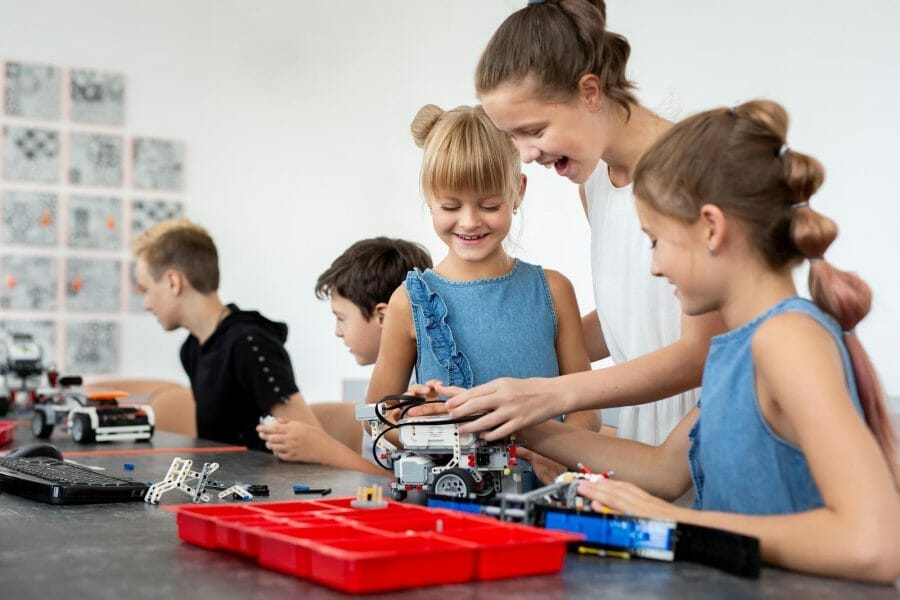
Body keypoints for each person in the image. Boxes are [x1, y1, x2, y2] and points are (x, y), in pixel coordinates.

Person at [497, 100, 900, 583]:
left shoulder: (788, 340)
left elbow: (874, 543)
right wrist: (520, 427)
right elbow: (665, 471)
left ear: (711, 227)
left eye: (655, 240)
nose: (655, 266)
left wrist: (680, 521)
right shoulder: (741, 347)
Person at [426, 0, 725, 446]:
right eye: (513, 137)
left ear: (589, 92)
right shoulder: (597, 184)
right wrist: (488, 364)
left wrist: (550, 392)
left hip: (705, 435)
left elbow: (702, 350)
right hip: (645, 443)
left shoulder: (691, 172)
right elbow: (636, 315)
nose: (526, 154)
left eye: (535, 130)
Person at [366, 103, 599, 484]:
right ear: (429, 198)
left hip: (544, 496)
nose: (470, 221)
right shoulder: (408, 301)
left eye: (490, 205)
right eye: (450, 206)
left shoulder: (554, 291)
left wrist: (559, 458)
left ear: (518, 192)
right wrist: (413, 418)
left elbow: (587, 410)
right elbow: (377, 419)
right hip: (449, 498)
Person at [133, 218, 321, 451]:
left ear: (173, 282)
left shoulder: (248, 343)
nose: (146, 304)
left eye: (146, 290)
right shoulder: (192, 349)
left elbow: (310, 440)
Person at [256, 237, 432, 475]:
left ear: (383, 317)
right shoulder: (392, 382)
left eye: (341, 318)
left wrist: (323, 450)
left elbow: (406, 489)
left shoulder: (419, 391)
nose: (337, 331)